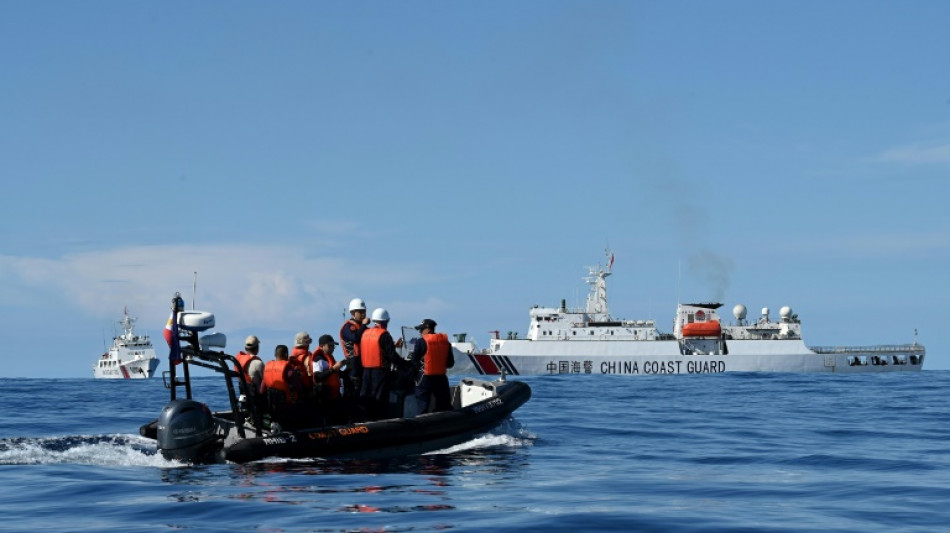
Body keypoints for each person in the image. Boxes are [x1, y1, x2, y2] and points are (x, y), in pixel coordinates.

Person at [359, 308, 408, 420]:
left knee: (366, 398)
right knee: (379, 399)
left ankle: (365, 420)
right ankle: (379, 421)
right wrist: (405, 364)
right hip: (380, 372)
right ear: (386, 321)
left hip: (366, 371)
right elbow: (392, 356)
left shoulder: (365, 333)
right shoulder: (384, 335)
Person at [409, 318, 455, 414]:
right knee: (444, 404)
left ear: (428, 330)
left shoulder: (421, 342)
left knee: (423, 404)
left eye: (421, 330)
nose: (420, 332)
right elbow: (450, 363)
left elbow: (414, 362)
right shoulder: (446, 342)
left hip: (425, 378)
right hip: (441, 378)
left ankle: (422, 423)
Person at [261, 344, 310, 429]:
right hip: (287, 406)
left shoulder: (267, 368)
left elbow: (262, 390)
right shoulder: (288, 369)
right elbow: (299, 388)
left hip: (272, 407)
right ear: (286, 354)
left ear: (275, 354)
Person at [339, 298, 369, 398]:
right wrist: (364, 325)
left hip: (364, 363)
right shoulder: (347, 327)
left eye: (364, 311)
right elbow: (355, 338)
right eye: (360, 312)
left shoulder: (363, 328)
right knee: (354, 389)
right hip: (353, 363)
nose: (363, 314)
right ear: (353, 313)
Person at [311, 334, 346, 412]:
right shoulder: (319, 359)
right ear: (322, 346)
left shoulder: (330, 358)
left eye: (333, 346)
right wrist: (333, 369)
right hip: (324, 396)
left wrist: (347, 369)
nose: (332, 348)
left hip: (334, 395)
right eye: (330, 346)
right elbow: (317, 377)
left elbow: (336, 375)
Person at [234, 335, 265, 413]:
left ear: (245, 348)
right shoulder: (258, 363)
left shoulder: (237, 361)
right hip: (257, 399)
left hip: (244, 395)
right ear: (257, 348)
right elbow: (266, 381)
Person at [289, 331, 315, 398]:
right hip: (306, 392)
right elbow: (311, 374)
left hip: (296, 392)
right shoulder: (307, 358)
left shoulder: (292, 357)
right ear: (306, 344)